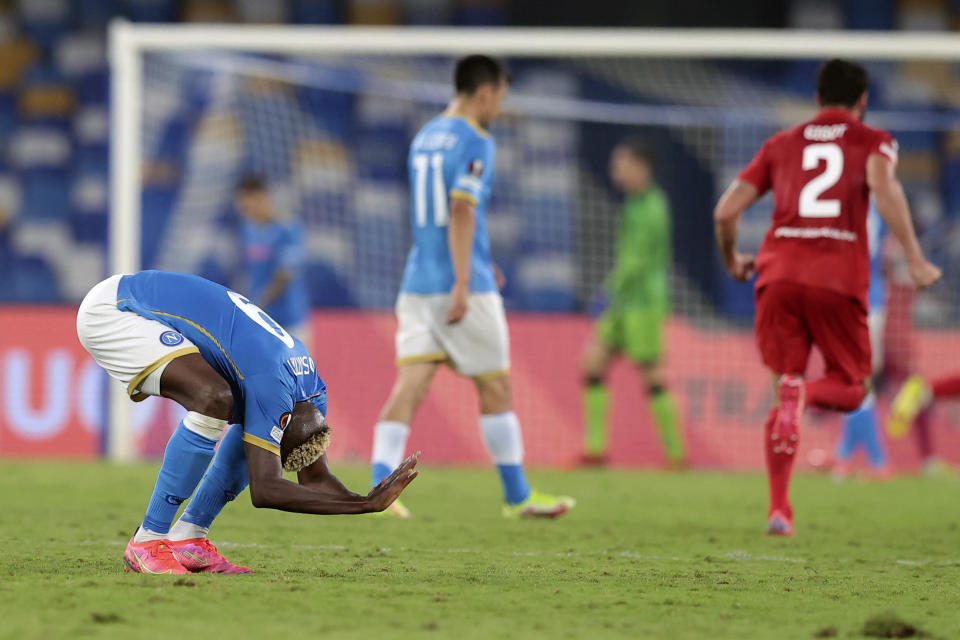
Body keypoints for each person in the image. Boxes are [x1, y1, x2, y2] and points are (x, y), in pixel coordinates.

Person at [713, 58, 941, 536]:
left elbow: (725, 210)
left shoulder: (780, 143)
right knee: (855, 387)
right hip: (836, 277)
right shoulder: (873, 141)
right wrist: (917, 260)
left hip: (777, 276)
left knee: (783, 394)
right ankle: (810, 397)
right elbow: (884, 188)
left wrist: (734, 259)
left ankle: (779, 509)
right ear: (863, 100)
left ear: (816, 99)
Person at [77, 270, 419, 574]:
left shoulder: (313, 394)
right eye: (274, 439)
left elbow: (317, 478)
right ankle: (146, 543)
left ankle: (188, 539)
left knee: (241, 413)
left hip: (148, 305)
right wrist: (364, 506)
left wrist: (363, 499)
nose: (267, 441)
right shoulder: (273, 390)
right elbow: (265, 490)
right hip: (114, 309)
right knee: (213, 397)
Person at [368, 54, 574, 519]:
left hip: (418, 280)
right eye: (500, 97)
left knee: (412, 384)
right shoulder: (477, 140)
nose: (499, 107)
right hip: (459, 286)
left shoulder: (425, 137)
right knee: (496, 386)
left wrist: (479, 260)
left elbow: (436, 218)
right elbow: (461, 209)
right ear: (485, 93)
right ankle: (518, 494)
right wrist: (465, 280)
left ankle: (379, 489)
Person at [580, 139, 685, 468]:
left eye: (621, 163)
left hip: (643, 303)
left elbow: (637, 262)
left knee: (652, 375)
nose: (616, 170)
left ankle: (676, 454)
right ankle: (596, 449)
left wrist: (608, 291)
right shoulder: (633, 204)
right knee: (592, 365)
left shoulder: (653, 207)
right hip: (625, 303)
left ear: (641, 166)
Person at [833, 202, 890, 480]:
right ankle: (869, 459)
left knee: (857, 377)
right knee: (857, 376)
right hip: (865, 296)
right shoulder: (875, 197)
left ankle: (850, 455)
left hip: (858, 296)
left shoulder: (850, 200)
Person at [235, 175, 311, 348]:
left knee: (296, 373)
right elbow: (247, 271)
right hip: (261, 320)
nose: (243, 206)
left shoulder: (288, 227)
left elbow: (284, 276)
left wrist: (257, 304)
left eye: (247, 199)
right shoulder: (248, 229)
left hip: (289, 322)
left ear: (262, 197)